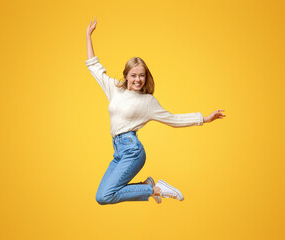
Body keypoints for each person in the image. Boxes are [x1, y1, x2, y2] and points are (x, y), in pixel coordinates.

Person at [86, 17, 226, 205]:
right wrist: (88, 35)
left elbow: (173, 119)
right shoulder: (114, 89)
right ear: (126, 76)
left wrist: (205, 118)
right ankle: (149, 185)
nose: (138, 79)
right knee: (101, 196)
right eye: (133, 75)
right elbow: (94, 67)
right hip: (118, 150)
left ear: (146, 77)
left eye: (141, 75)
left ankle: (156, 189)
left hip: (132, 150)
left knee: (106, 195)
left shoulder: (147, 102)